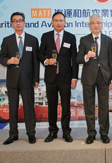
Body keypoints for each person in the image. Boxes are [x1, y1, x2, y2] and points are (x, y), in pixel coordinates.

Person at [0, 12, 39, 145]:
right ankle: (13, 134)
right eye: (15, 21)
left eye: (20, 20)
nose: (18, 23)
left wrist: (36, 79)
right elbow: (1, 57)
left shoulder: (33, 40)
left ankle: (31, 134)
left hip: (27, 79)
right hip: (12, 79)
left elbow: (35, 62)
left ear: (24, 22)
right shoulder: (7, 40)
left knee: (29, 108)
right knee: (13, 108)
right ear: (11, 24)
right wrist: (9, 60)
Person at [39, 12, 78, 143]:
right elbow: (39, 54)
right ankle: (52, 131)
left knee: (66, 106)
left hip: (66, 77)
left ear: (65, 22)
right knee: (52, 106)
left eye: (61, 20)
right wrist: (46, 61)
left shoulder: (71, 37)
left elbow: (74, 59)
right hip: (50, 77)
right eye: (56, 20)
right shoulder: (45, 36)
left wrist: (74, 77)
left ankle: (66, 132)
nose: (59, 23)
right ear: (52, 22)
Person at [76, 14, 112, 144]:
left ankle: (104, 133)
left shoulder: (108, 40)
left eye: (98, 22)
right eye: (93, 23)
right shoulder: (84, 40)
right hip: (88, 77)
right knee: (89, 107)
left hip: (104, 76)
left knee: (104, 107)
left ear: (102, 24)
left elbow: (111, 60)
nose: (96, 25)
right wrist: (86, 56)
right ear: (89, 25)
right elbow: (78, 58)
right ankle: (91, 133)